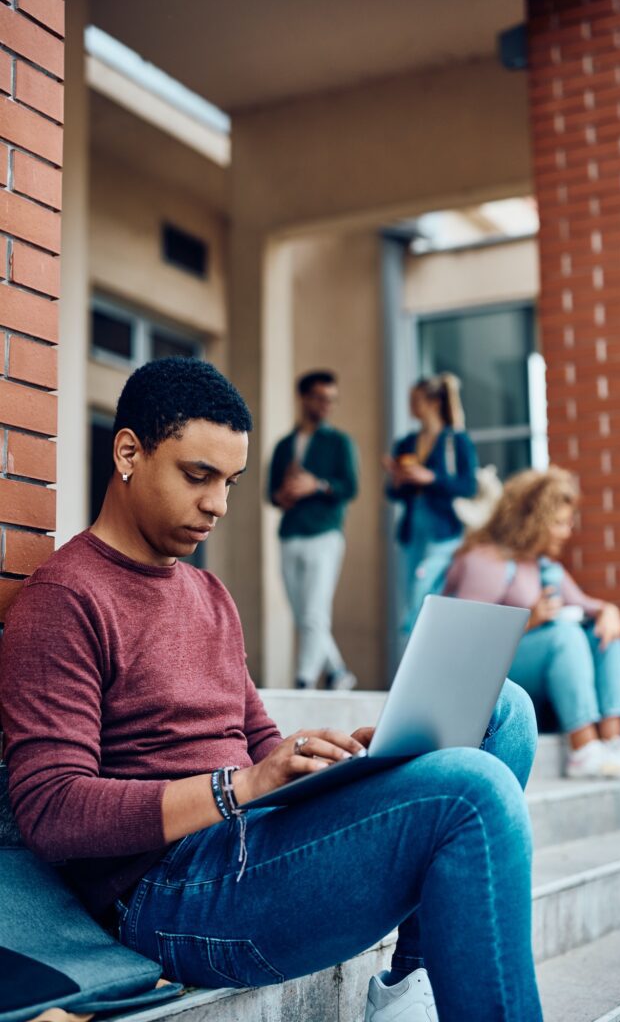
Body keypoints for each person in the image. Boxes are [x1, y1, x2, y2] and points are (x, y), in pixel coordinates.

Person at [0, 358, 543, 1022]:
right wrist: (239, 788)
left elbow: (258, 742)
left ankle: (410, 986)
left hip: (253, 838)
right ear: (128, 453)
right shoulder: (64, 598)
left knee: (502, 708)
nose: (219, 505)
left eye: (230, 482)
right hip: (167, 893)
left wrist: (337, 757)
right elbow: (51, 812)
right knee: (473, 791)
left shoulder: (208, 593)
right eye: (198, 476)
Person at [444, 466, 620, 781]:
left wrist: (609, 611)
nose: (567, 531)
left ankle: (612, 741)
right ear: (531, 520)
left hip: (531, 672)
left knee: (605, 634)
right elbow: (462, 638)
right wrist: (530, 620)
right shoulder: (487, 560)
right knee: (563, 636)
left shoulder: (542, 563)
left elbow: (587, 605)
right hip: (487, 678)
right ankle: (584, 750)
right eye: (559, 522)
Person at [268, 370, 358, 690]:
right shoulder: (284, 445)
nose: (326, 406)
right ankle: (338, 672)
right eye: (320, 398)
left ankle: (304, 680)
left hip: (324, 534)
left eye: (331, 400)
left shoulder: (339, 442)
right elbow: (271, 494)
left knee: (314, 613)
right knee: (305, 615)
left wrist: (315, 485)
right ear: (303, 398)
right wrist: (285, 494)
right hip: (290, 533)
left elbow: (350, 487)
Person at [383, 373, 477, 636]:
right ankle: (417, 650)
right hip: (412, 533)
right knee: (411, 596)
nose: (411, 405)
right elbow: (392, 493)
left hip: (444, 532)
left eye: (416, 400)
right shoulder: (406, 443)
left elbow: (469, 486)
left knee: (426, 596)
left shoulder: (456, 441)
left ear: (434, 402)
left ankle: (424, 645)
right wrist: (399, 479)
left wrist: (431, 477)